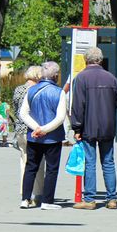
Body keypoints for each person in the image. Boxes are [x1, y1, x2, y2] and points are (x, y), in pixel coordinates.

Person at [70, 47, 117, 210]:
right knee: (108, 162)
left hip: (88, 127)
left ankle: (90, 200)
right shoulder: (111, 78)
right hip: (108, 126)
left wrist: (76, 128)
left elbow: (78, 106)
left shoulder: (81, 78)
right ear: (100, 60)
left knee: (90, 162)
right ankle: (112, 199)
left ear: (86, 60)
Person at [20, 61, 68, 210]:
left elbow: (23, 113)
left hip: (33, 136)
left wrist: (36, 128)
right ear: (55, 75)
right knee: (52, 169)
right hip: (53, 137)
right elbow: (60, 117)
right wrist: (45, 130)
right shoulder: (59, 92)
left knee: (30, 167)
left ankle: (25, 199)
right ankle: (47, 201)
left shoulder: (31, 90)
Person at [11, 65, 46, 204]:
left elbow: (15, 108)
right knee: (38, 161)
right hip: (34, 129)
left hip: (20, 130)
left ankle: (24, 192)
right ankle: (37, 193)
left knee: (24, 160)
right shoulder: (38, 90)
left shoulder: (19, 89)